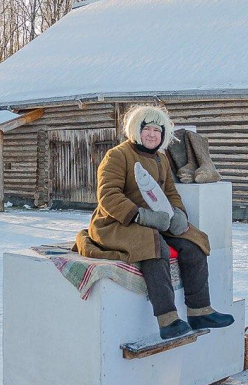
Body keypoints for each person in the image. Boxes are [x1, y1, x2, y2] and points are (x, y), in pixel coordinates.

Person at [75, 105, 234, 339]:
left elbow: (170, 193)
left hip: (157, 220)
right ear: (136, 129)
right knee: (151, 242)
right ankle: (167, 319)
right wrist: (141, 216)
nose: (152, 134)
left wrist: (178, 214)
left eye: (157, 130)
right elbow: (108, 196)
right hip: (116, 223)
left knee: (193, 240)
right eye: (146, 128)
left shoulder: (160, 158)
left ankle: (200, 311)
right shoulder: (118, 155)